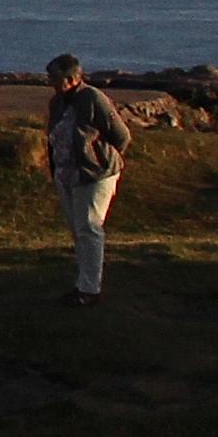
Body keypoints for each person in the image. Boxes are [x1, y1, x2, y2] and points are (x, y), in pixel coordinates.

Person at [44, 51, 131, 305]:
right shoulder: (57, 102)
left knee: (89, 228)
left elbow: (121, 135)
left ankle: (89, 290)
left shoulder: (93, 98)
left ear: (71, 79)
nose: (50, 81)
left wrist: (98, 159)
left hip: (94, 175)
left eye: (54, 77)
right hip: (66, 174)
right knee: (78, 229)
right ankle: (83, 282)